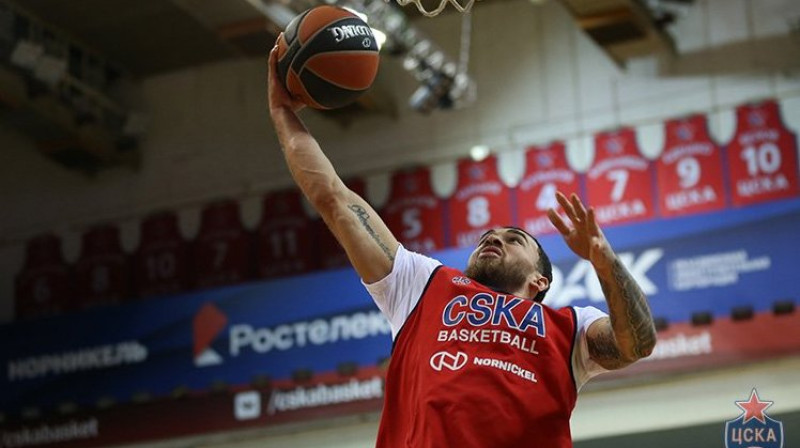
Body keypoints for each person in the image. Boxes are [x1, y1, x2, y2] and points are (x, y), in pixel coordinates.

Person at [267, 40, 656, 448]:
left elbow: (638, 344)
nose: (493, 238)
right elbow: (335, 198)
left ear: (540, 280)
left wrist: (605, 261)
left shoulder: (570, 329)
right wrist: (281, 112)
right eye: (489, 236)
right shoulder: (421, 284)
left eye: (514, 239)